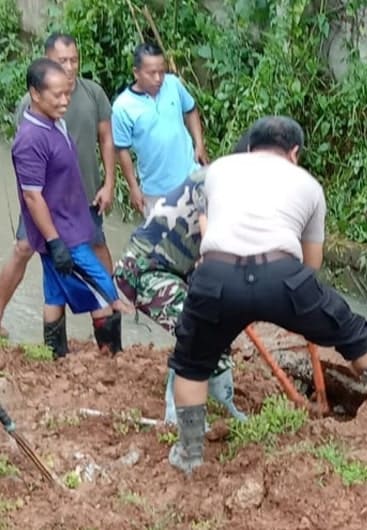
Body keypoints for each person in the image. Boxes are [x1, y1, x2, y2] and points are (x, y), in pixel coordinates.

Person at [166, 116, 367, 474]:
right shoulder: (308, 185)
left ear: (249, 147)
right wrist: (300, 308)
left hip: (215, 275)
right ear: (294, 153)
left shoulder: (219, 170)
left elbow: (212, 226)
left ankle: (190, 456)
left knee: (191, 364)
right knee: (352, 330)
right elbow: (311, 264)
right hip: (281, 274)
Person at [0, 32, 117, 337]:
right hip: (46, 203)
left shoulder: (92, 94)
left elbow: (107, 138)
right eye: (61, 61)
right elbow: (31, 163)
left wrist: (109, 183)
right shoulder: (33, 106)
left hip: (83, 196)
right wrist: (50, 232)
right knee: (27, 248)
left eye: (74, 60)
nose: (69, 67)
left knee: (95, 247)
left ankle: (103, 329)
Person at [113, 167, 246, 424]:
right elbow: (212, 248)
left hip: (176, 272)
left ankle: (223, 396)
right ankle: (176, 408)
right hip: (143, 271)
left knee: (219, 318)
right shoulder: (215, 182)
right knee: (195, 325)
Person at [111, 42, 208, 218]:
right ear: (136, 72)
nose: (158, 78)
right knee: (163, 242)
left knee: (203, 231)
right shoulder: (122, 107)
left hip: (191, 176)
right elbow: (121, 149)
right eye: (151, 73)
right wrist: (133, 187)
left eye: (161, 72)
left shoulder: (173, 84)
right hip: (156, 191)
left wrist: (199, 145)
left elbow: (191, 110)